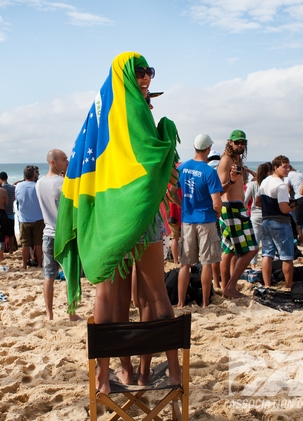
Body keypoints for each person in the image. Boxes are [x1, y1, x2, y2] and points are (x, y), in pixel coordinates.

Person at [54, 52, 180, 394]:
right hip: (138, 214)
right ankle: (155, 372)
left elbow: (87, 161)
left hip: (113, 216)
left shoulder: (101, 112)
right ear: (124, 74)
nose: (146, 78)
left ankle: (122, 374)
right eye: (140, 72)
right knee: (141, 295)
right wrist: (168, 137)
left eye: (150, 72)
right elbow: (157, 163)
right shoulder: (131, 112)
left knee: (131, 297)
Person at [174, 134, 223, 307]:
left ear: (194, 147)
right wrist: (217, 212)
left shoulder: (183, 167)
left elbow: (171, 191)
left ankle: (180, 302)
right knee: (206, 263)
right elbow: (217, 202)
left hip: (188, 220)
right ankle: (204, 302)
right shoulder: (209, 172)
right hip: (205, 220)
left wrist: (182, 206)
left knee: (185, 264)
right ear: (208, 149)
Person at [35, 149, 80, 321]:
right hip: (64, 234)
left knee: (49, 275)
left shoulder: (39, 183)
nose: (67, 161)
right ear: (53, 162)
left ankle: (49, 313)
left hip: (47, 232)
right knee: (70, 275)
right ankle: (71, 313)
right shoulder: (63, 183)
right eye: (64, 159)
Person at [217, 130, 259, 297]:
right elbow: (219, 189)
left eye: (243, 142)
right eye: (237, 142)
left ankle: (227, 286)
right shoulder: (226, 160)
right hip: (231, 208)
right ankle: (229, 287)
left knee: (229, 251)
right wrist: (233, 180)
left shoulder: (237, 160)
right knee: (251, 248)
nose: (240, 145)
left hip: (235, 208)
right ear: (230, 143)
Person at [259, 155, 295, 288]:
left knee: (267, 254)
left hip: (266, 220)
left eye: (288, 166)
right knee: (286, 256)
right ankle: (288, 285)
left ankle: (267, 284)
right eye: (284, 167)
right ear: (276, 167)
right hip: (279, 221)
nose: (287, 169)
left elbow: (258, 201)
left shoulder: (265, 181)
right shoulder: (281, 185)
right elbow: (284, 208)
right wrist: (293, 206)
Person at [244, 162, 272, 267]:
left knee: (255, 239)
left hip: (255, 215)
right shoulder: (269, 184)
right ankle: (267, 260)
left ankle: (253, 263)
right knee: (267, 240)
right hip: (267, 214)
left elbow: (245, 201)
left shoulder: (252, 185)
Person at [15, 166, 44, 269]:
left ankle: (24, 265)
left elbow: (17, 200)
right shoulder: (37, 186)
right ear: (34, 174)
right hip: (38, 217)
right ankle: (40, 264)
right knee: (38, 243)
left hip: (24, 218)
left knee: (25, 244)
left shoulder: (18, 186)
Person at [0, 172, 17, 254]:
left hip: (2, 212)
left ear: (0, 179)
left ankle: (1, 250)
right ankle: (11, 250)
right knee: (11, 233)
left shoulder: (0, 188)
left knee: (1, 232)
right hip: (10, 212)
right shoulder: (13, 188)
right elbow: (14, 198)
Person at [287, 166, 303, 245]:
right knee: (301, 217)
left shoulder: (289, 175)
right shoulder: (299, 172)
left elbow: (288, 188)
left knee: (296, 219)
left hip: (297, 197)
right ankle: (301, 239)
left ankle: (300, 239)